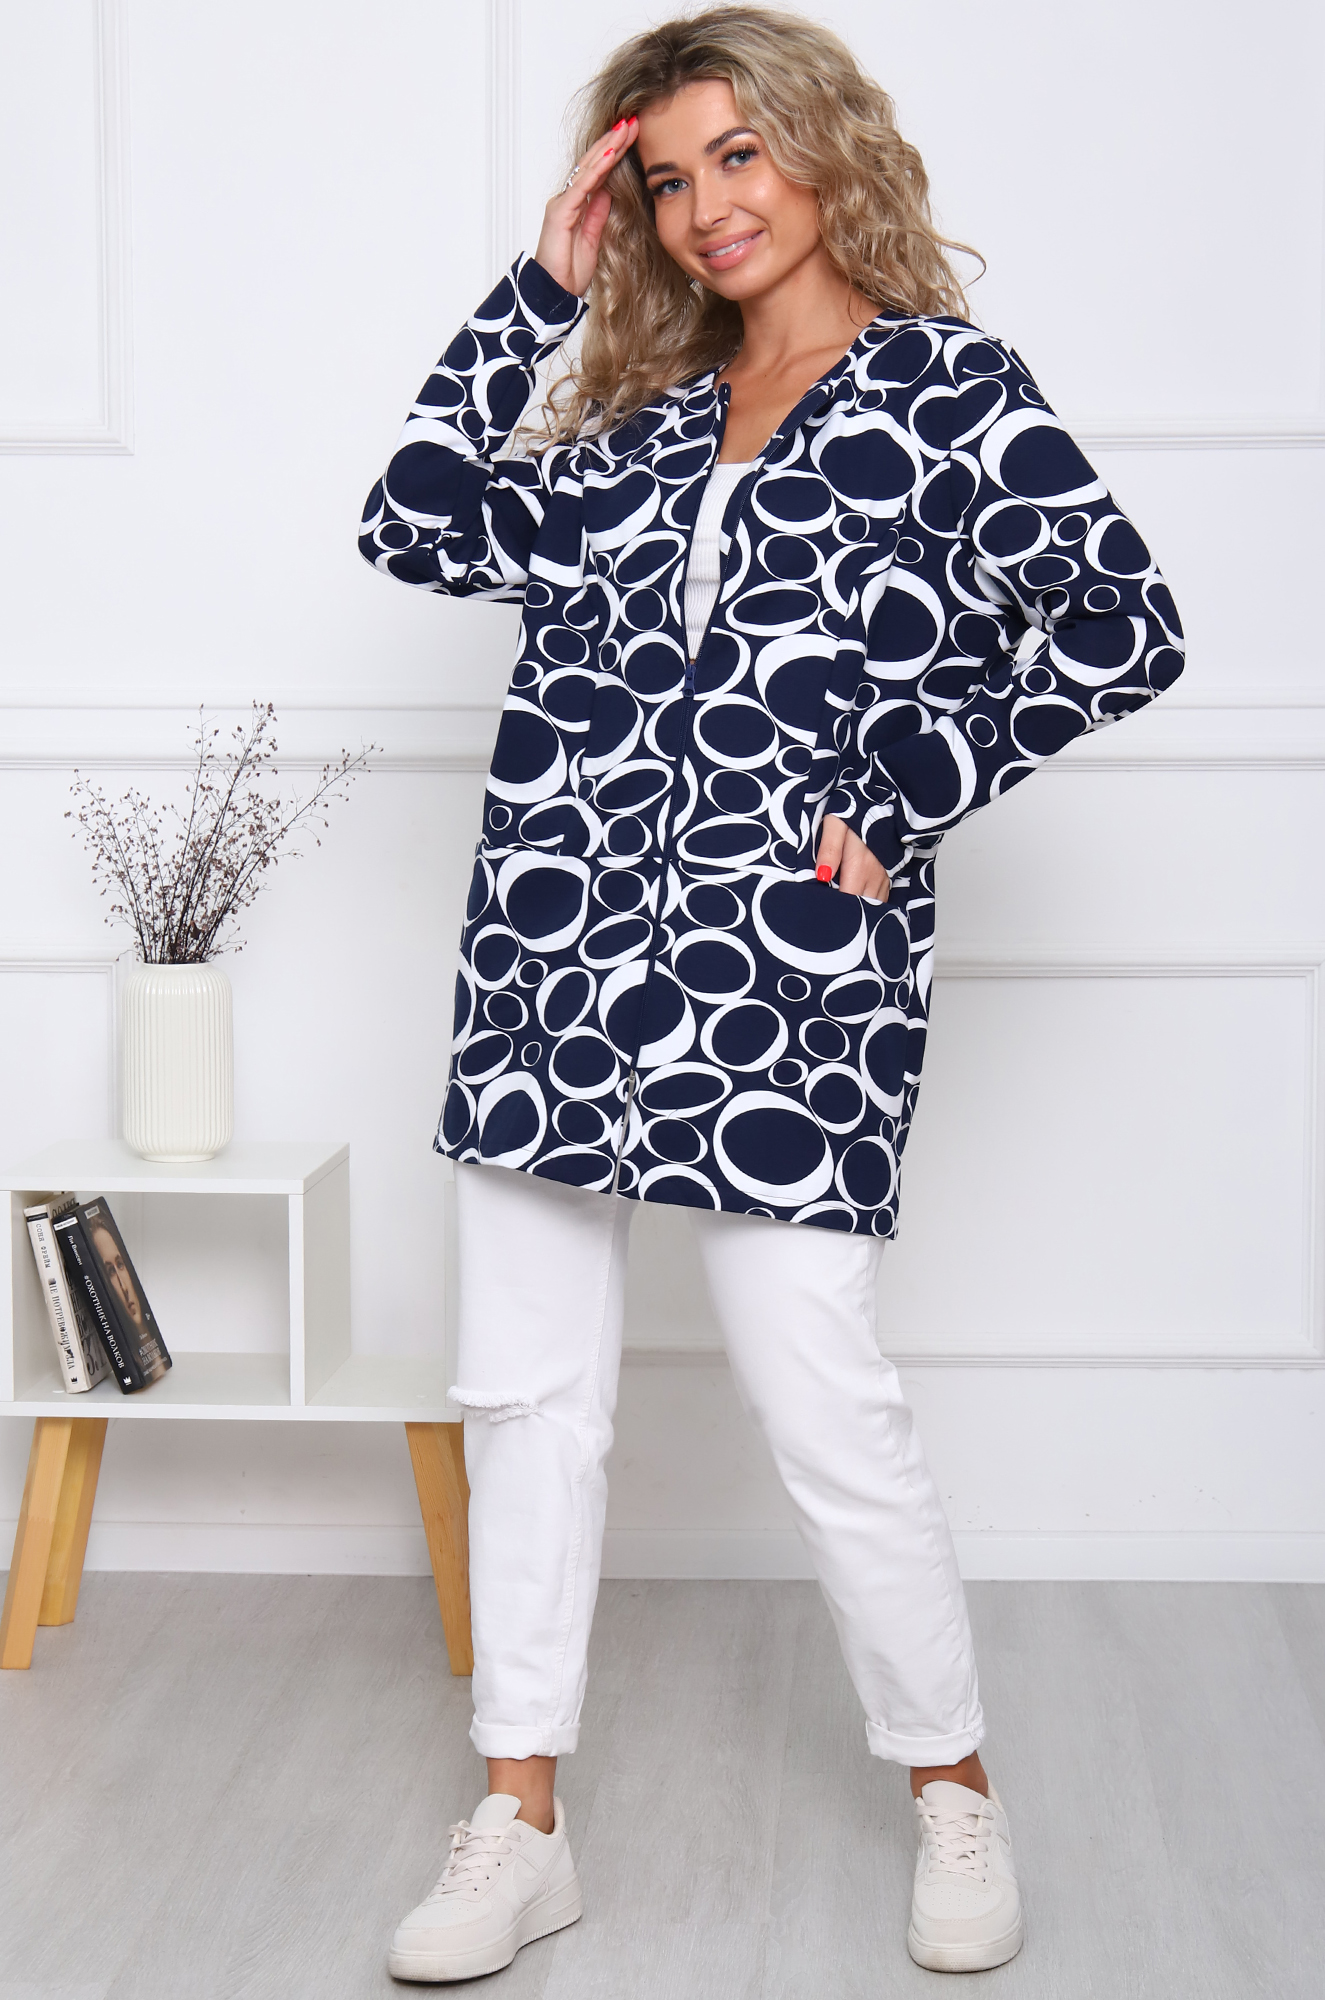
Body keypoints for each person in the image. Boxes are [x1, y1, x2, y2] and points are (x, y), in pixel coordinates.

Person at [360, 7, 1183, 1981]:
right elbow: (410, 518)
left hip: (788, 976)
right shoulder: (637, 423)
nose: (705, 206)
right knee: (526, 1400)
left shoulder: (950, 394)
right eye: (666, 178)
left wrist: (903, 791)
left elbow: (1124, 620)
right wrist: (536, 288)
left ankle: (951, 1785)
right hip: (551, 961)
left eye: (738, 154)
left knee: (822, 1390)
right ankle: (519, 1816)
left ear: (821, 148)